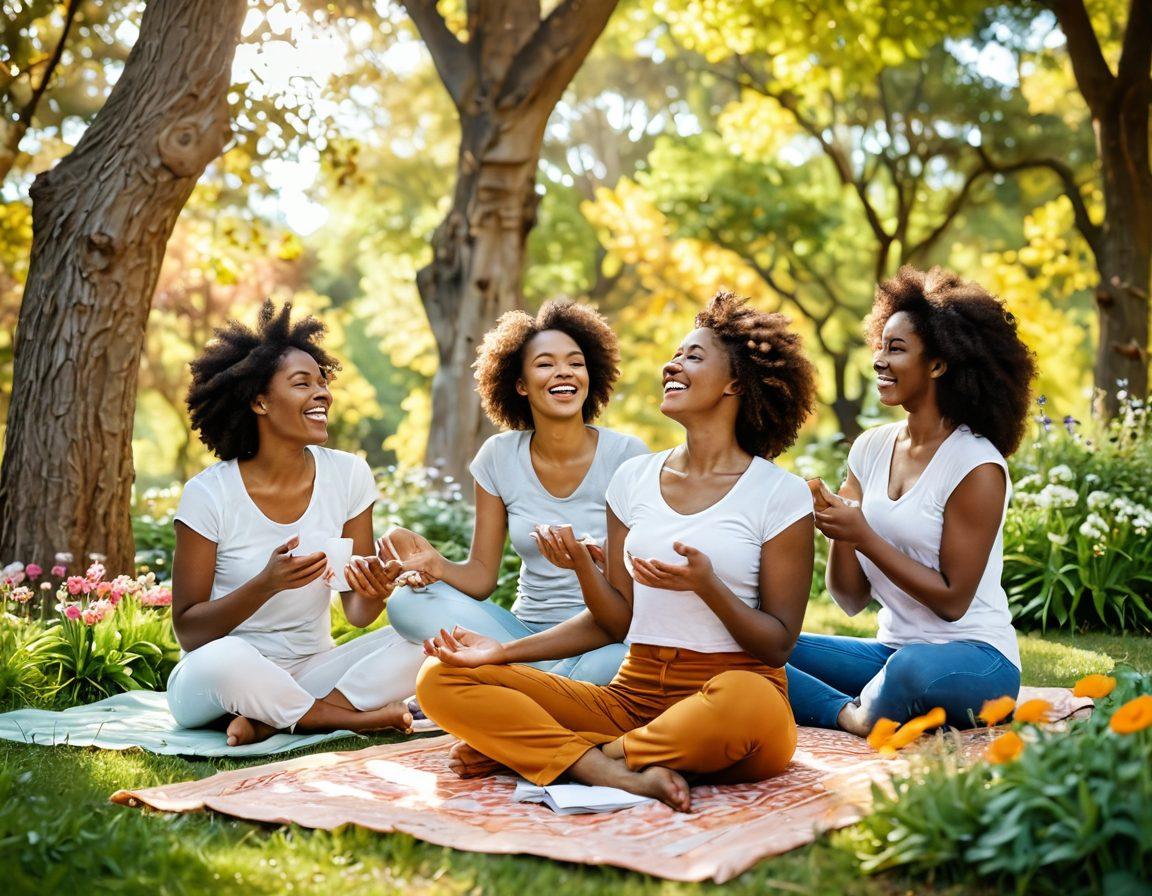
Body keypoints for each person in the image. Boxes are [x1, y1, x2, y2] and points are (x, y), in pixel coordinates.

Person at [415, 291, 817, 812]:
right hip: (632, 697)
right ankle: (605, 767)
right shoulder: (634, 479)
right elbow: (615, 623)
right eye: (676, 354)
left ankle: (559, 752)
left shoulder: (779, 494)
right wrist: (503, 651)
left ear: (737, 383)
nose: (672, 364)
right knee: (442, 677)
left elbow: (778, 646)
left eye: (693, 356)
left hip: (731, 692)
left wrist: (708, 586)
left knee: (750, 707)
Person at [167, 302, 426, 747]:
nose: (322, 394)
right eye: (302, 383)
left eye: (323, 383)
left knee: (425, 639)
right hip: (221, 672)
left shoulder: (348, 475)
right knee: (227, 659)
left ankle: (275, 718)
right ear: (260, 401)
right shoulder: (210, 493)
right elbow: (189, 631)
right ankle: (348, 718)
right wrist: (265, 584)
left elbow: (357, 614)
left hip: (313, 666)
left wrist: (377, 589)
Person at [791, 266, 1036, 735]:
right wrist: (841, 530)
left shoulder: (975, 465)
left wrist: (864, 535)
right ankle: (851, 713)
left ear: (939, 363)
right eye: (879, 346)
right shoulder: (870, 447)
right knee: (763, 648)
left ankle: (854, 704)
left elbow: (952, 602)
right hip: (893, 652)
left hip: (978, 660)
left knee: (909, 672)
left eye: (896, 348)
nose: (879, 360)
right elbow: (848, 599)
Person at [384, 300, 648, 685]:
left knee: (617, 661)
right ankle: (548, 686)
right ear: (520, 385)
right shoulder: (498, 456)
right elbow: (481, 577)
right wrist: (436, 566)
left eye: (576, 363)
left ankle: (518, 684)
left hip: (603, 635)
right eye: (545, 364)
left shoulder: (628, 456)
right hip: (522, 633)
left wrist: (591, 563)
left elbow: (640, 588)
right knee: (407, 604)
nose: (564, 372)